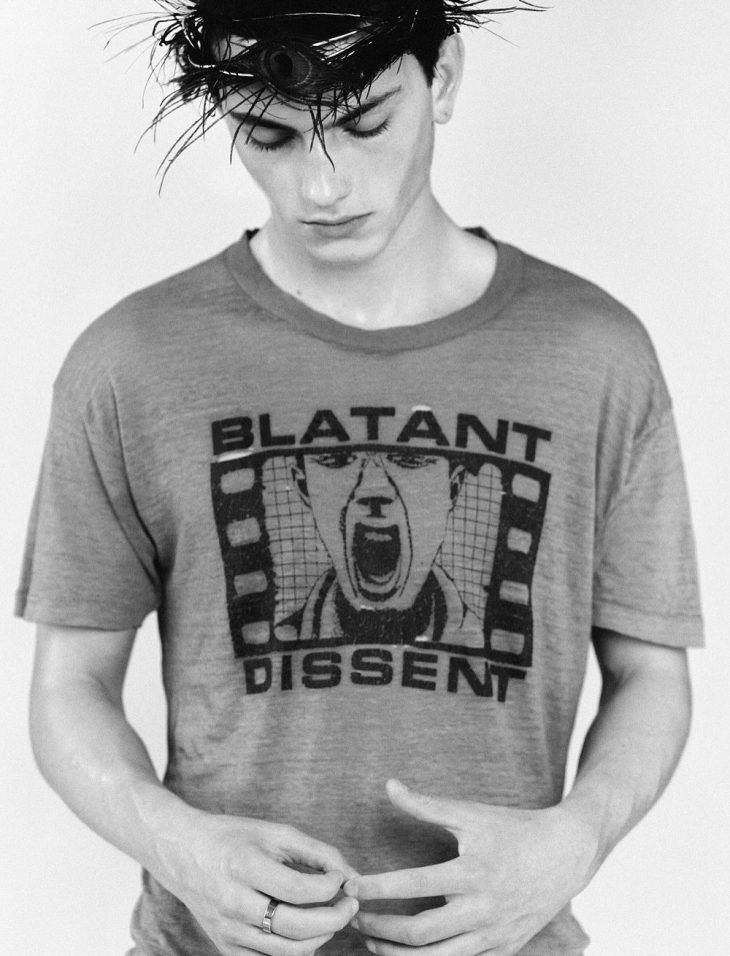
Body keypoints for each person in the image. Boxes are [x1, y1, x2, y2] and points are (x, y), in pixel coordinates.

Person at [17, 2, 703, 955]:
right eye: (269, 135)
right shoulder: (131, 362)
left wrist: (575, 841)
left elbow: (650, 672)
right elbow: (69, 686)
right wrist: (179, 848)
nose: (322, 184)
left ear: (443, 78)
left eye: (366, 122)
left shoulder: (595, 354)